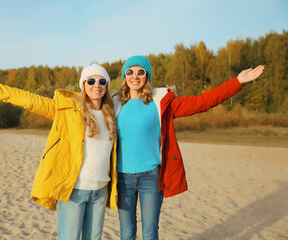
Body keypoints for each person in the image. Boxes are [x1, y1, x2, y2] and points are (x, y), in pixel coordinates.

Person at [113, 55, 264, 240]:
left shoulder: (161, 102)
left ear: (147, 76)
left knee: (149, 233)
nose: (134, 76)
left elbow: (203, 102)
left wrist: (237, 81)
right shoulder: (114, 104)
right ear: (124, 76)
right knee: (126, 234)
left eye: (140, 72)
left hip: (151, 178)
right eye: (130, 71)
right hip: (122, 179)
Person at [0, 63, 118, 240]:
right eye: (91, 81)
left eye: (101, 81)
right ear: (83, 84)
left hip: (100, 192)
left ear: (107, 85)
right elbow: (29, 100)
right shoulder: (66, 109)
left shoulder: (112, 114)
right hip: (73, 191)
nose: (96, 85)